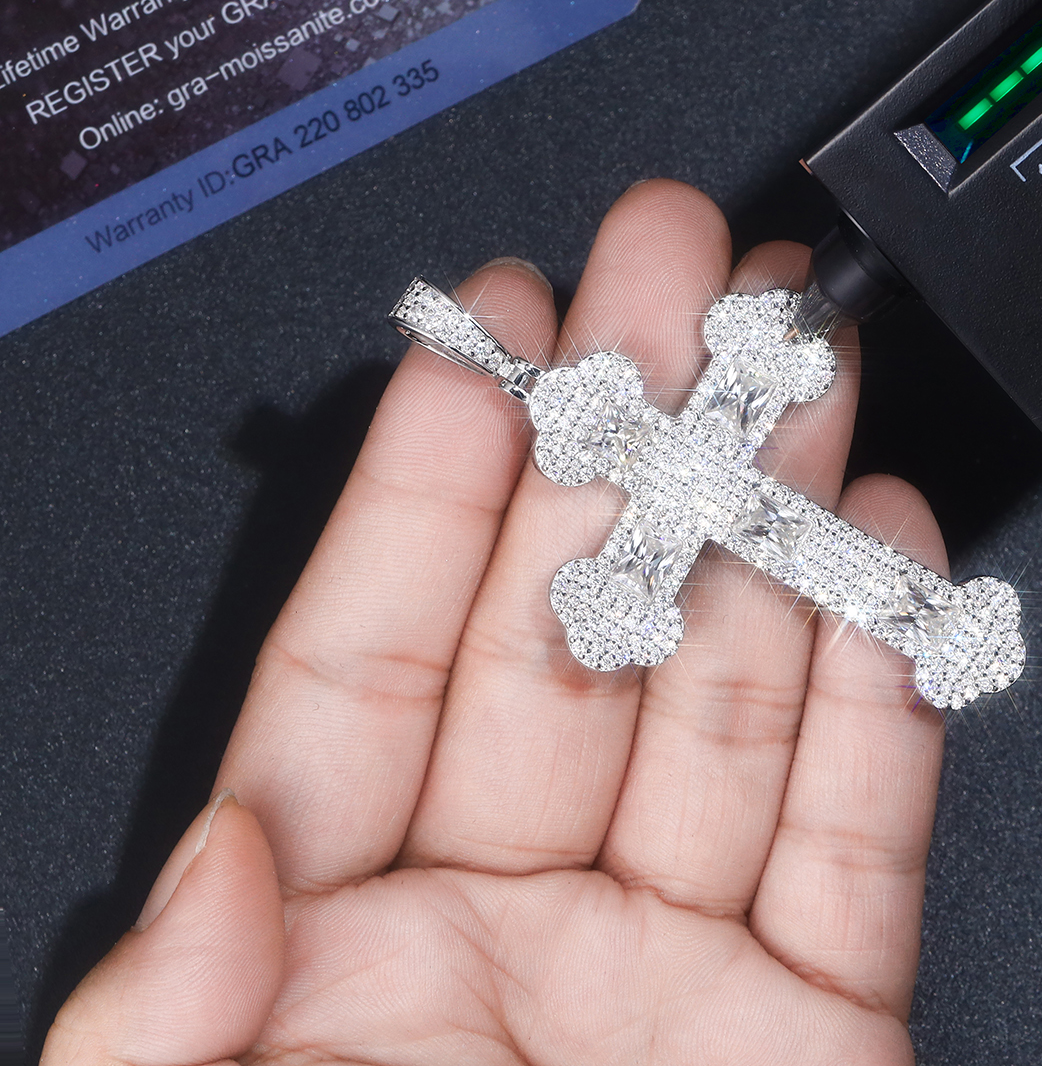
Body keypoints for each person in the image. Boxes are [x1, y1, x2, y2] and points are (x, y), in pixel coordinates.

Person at [42, 180, 951, 1066]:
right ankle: (935, 623)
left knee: (790, 536)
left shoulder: (674, 429)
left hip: (737, 488)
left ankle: (935, 622)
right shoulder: (643, 474)